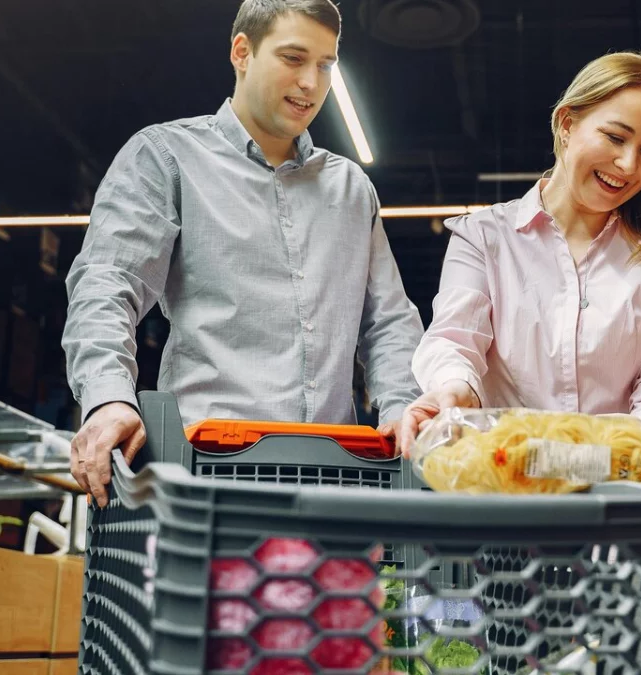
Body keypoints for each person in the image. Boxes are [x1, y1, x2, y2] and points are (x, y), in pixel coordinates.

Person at [63, 0, 422, 506]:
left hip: (336, 480)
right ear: (242, 52)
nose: (311, 84)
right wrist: (107, 398)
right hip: (206, 478)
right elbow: (106, 285)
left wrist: (403, 411)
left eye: (325, 65)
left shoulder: (350, 189)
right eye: (294, 59)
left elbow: (387, 322)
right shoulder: (167, 158)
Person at [397, 51, 641, 458]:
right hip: (508, 483)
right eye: (615, 137)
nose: (629, 164)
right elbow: (455, 340)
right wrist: (455, 390)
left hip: (625, 491)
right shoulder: (485, 237)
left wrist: (598, 460)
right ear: (567, 124)